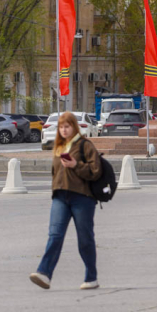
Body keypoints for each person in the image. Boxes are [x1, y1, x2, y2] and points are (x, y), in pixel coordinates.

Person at [30, 111, 102, 291]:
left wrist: (75, 165)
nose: (63, 130)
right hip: (60, 197)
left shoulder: (85, 145)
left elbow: (96, 171)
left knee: (85, 239)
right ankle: (44, 274)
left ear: (74, 127)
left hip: (82, 198)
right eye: (61, 127)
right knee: (55, 236)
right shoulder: (59, 147)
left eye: (67, 126)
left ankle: (91, 276)